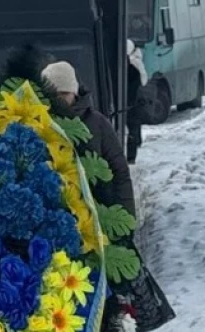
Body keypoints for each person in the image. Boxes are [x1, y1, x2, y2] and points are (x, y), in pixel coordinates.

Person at [41, 61, 136, 216]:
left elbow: (119, 173)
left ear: (74, 92)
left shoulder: (98, 124)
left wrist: (125, 217)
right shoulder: (36, 124)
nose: (58, 100)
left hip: (96, 216)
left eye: (64, 93)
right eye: (53, 95)